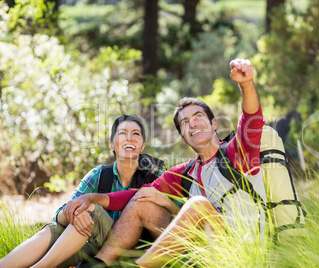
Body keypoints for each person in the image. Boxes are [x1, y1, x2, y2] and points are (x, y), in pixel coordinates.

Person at [63, 58, 265, 268]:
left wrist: (246, 84)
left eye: (198, 116)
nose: (192, 123)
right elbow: (137, 194)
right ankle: (96, 265)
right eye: (185, 122)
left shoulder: (238, 152)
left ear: (213, 124)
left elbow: (252, 119)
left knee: (198, 205)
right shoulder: (187, 172)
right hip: (202, 251)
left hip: (241, 250)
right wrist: (94, 197)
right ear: (184, 138)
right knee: (142, 201)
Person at [0, 115, 177, 268]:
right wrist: (75, 213)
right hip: (96, 248)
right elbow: (60, 216)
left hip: (137, 252)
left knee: (90, 209)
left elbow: (180, 216)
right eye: (122, 133)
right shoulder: (99, 175)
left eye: (136, 134)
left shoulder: (157, 177)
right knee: (65, 223)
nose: (129, 138)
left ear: (142, 146)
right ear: (111, 145)